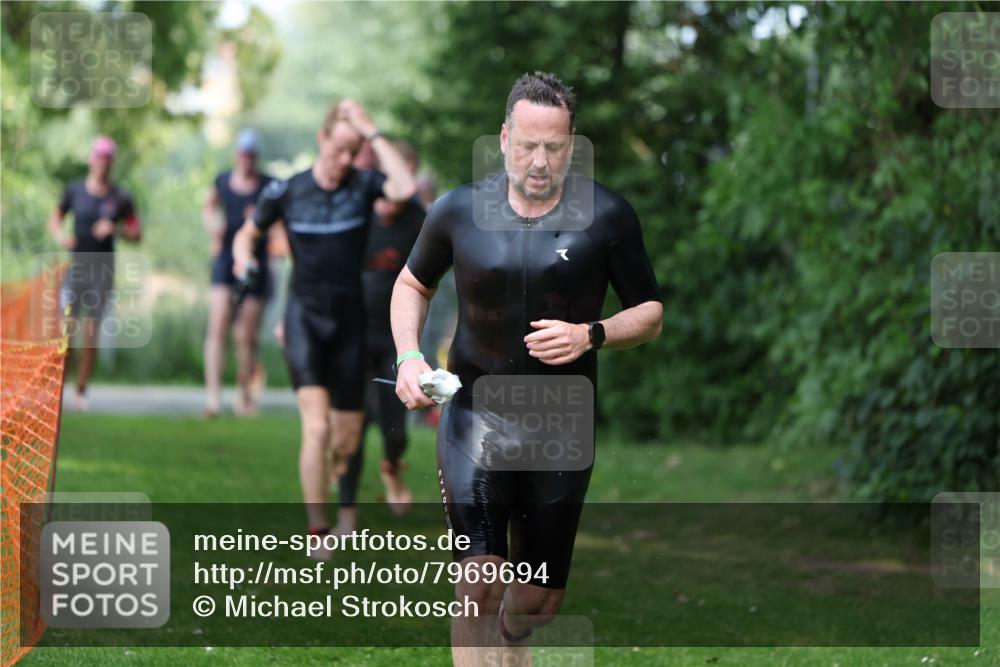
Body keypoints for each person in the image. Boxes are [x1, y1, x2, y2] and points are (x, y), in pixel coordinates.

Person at [390, 72, 663, 664]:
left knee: (536, 601)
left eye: (554, 148)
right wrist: (409, 355)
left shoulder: (607, 216)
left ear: (573, 144)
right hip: (474, 416)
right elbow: (412, 284)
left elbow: (650, 314)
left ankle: (515, 643)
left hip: (561, 426)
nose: (540, 161)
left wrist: (591, 334)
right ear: (503, 138)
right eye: (527, 145)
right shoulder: (458, 210)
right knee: (478, 584)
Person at [232, 100, 416, 558]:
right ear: (321, 139)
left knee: (346, 439)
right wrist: (243, 259)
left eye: (354, 151)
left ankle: (340, 495)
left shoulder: (363, 185)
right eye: (339, 150)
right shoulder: (287, 191)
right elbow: (247, 233)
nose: (345, 160)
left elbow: (405, 187)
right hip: (305, 321)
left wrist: (372, 132)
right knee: (315, 429)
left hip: (351, 324)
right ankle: (318, 531)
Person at [336, 140, 426, 531]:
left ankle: (392, 464)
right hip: (354, 335)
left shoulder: (420, 221)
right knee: (351, 426)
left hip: (396, 340)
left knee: (395, 429)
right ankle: (346, 514)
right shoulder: (357, 215)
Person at [48, 136, 141, 411]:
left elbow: (136, 232)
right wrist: (61, 236)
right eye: (99, 157)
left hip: (103, 271)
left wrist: (117, 229)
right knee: (66, 330)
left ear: (112, 163)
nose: (102, 163)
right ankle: (59, 389)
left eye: (107, 158)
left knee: (91, 332)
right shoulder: (74, 191)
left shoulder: (121, 198)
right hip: (76, 268)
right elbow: (55, 219)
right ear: (92, 159)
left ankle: (81, 391)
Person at [201, 129, 274, 418]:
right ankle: (213, 398)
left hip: (254, 264)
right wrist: (214, 226)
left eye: (251, 155)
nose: (247, 159)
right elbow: (209, 208)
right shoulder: (222, 181)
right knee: (218, 324)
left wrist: (259, 223)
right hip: (225, 262)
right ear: (236, 154)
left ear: (257, 157)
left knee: (246, 335)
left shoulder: (267, 186)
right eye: (243, 153)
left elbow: (278, 222)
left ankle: (244, 396)